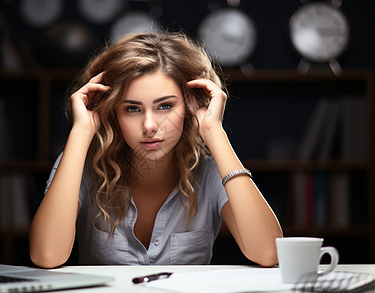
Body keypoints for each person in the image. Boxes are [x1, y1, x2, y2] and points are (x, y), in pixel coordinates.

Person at [29, 31, 283, 268]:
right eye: (132, 108)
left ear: (189, 104)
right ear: (112, 111)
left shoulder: (210, 168)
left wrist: (214, 131)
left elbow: (268, 253)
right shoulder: (80, 163)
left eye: (165, 106)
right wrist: (81, 131)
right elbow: (47, 255)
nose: (149, 126)